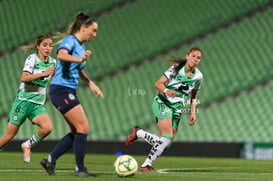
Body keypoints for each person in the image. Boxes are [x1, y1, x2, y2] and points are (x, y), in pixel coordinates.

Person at [40, 12, 104, 177]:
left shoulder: (81, 47)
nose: (95, 35)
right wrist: (80, 59)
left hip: (66, 90)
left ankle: (50, 160)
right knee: (83, 127)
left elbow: (78, 70)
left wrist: (90, 82)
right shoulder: (70, 41)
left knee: (77, 131)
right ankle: (80, 169)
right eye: (93, 30)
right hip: (61, 90)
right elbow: (61, 55)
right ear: (83, 27)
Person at [126, 47, 203, 172]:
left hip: (177, 109)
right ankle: (146, 165)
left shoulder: (199, 76)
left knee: (165, 144)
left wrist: (193, 112)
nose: (195, 59)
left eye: (198, 58)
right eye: (193, 56)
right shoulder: (176, 68)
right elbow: (158, 84)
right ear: (187, 56)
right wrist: (167, 91)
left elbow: (194, 95)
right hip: (163, 103)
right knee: (166, 137)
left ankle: (139, 132)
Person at [0, 34, 56, 163]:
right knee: (8, 137)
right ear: (38, 46)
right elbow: (24, 78)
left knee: (47, 127)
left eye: (50, 45)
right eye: (45, 45)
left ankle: (27, 144)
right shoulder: (32, 59)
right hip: (23, 102)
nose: (48, 48)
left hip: (37, 105)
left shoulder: (53, 62)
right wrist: (43, 73)